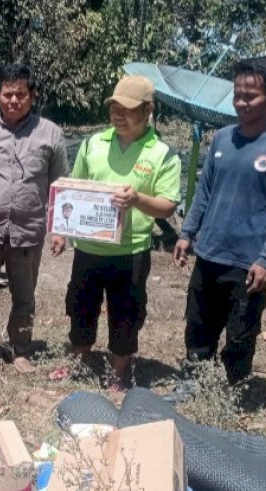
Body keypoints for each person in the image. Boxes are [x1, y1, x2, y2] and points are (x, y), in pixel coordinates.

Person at [173, 56, 266, 386]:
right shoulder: (222, 139)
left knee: (240, 333)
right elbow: (204, 192)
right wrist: (187, 233)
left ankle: (233, 392)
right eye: (237, 95)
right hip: (209, 253)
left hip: (248, 262)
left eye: (251, 96)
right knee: (198, 325)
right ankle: (192, 384)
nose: (241, 103)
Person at [51, 75, 181, 390]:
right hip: (89, 248)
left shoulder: (163, 154)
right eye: (114, 108)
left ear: (148, 109)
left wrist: (137, 199)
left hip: (131, 252)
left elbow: (167, 207)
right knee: (80, 305)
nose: (118, 115)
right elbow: (74, 187)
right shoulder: (93, 144)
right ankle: (80, 360)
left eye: (128, 109)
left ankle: (120, 370)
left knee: (126, 313)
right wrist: (61, 231)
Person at [0, 63, 68, 372]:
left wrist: (59, 229)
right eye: (7, 94)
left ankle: (21, 349)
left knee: (24, 295)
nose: (13, 101)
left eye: (20, 95)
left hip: (28, 231)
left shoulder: (50, 134)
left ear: (31, 97)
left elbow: (60, 185)